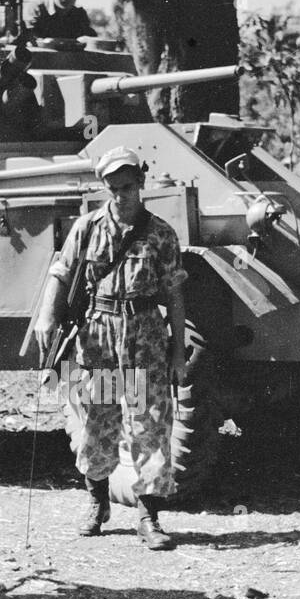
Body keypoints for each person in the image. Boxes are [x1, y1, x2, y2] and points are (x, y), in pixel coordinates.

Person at [34, 146, 187, 549]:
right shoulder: (87, 228)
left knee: (149, 423)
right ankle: (97, 502)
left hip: (145, 337)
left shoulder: (161, 234)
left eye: (128, 186)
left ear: (141, 182)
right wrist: (46, 316)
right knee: (99, 422)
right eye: (113, 187)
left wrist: (177, 350)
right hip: (99, 337)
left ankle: (149, 517)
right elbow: (60, 272)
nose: (121, 195)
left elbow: (174, 295)